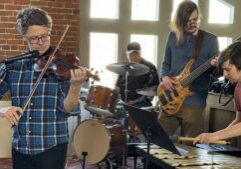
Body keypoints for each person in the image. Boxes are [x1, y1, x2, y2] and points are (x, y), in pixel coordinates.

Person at [0, 7, 87, 169]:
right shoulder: (13, 67)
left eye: (45, 36)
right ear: (24, 37)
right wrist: (4, 111)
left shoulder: (63, 66)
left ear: (49, 32)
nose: (40, 42)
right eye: (34, 38)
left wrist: (75, 86)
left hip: (52, 147)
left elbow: (68, 109)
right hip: (21, 147)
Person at [158, 0, 219, 138]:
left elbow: (216, 74)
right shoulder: (172, 36)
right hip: (171, 98)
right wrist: (164, 77)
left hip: (194, 102)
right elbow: (165, 64)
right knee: (158, 142)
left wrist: (216, 66)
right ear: (179, 20)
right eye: (188, 20)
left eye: (195, 19)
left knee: (189, 146)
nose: (192, 23)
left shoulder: (210, 40)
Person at [194, 41, 241, 144]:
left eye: (228, 69)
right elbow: (238, 121)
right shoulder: (238, 88)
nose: (225, 75)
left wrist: (215, 136)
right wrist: (217, 139)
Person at [116, 42, 159, 108]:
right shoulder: (125, 67)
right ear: (127, 55)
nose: (133, 57)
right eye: (131, 55)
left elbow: (153, 90)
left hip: (141, 104)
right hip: (122, 103)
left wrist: (136, 101)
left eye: (136, 54)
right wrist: (113, 96)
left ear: (140, 54)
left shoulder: (150, 67)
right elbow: (118, 86)